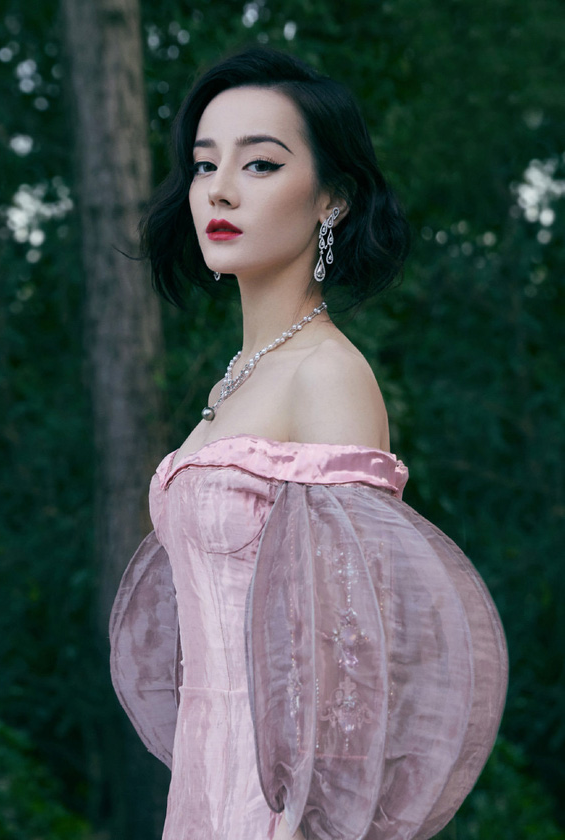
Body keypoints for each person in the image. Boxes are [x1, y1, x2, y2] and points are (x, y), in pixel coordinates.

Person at [109, 47, 508, 840]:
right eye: (204, 164)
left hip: (275, 812)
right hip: (203, 790)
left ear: (333, 199)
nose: (220, 189)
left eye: (260, 164)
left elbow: (356, 663)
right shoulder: (240, 379)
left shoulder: (327, 374)